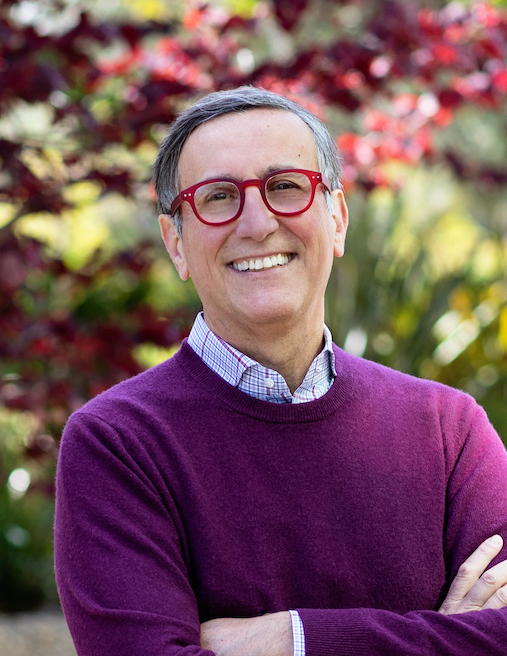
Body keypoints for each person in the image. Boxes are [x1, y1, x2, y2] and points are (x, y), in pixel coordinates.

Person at [54, 86, 507, 656]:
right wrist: (447, 640)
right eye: (218, 197)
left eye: (285, 187)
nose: (257, 223)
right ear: (177, 244)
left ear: (337, 219)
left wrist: (292, 638)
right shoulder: (117, 444)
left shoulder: (449, 430)